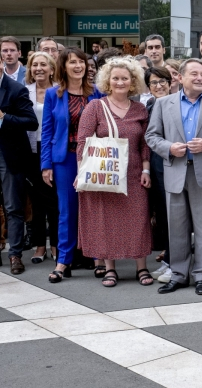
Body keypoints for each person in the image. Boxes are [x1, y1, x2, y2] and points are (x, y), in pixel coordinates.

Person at [145, 58, 202, 295]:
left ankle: (201, 276)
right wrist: (168, 148)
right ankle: (178, 275)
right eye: (194, 73)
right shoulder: (164, 104)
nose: (200, 77)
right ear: (180, 78)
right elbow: (152, 136)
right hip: (175, 171)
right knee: (177, 227)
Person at [76, 56, 153, 288]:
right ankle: (110, 269)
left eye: (125, 78)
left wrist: (146, 170)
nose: (120, 82)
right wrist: (82, 173)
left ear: (133, 81)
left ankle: (142, 267)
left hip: (134, 173)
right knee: (106, 220)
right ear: (108, 80)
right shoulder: (95, 107)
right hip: (105, 175)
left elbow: (145, 144)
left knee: (138, 219)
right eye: (115, 78)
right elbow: (83, 142)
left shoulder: (140, 109)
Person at [41, 47, 104, 283]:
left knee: (95, 208)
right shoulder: (52, 94)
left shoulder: (97, 93)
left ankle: (98, 258)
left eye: (82, 62)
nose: (78, 66)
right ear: (63, 67)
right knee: (67, 210)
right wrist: (46, 164)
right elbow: (47, 131)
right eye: (72, 62)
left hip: (93, 158)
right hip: (65, 159)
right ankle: (63, 261)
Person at [0, 57, 38, 273]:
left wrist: (4, 118)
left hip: (9, 155)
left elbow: (31, 121)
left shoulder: (15, 89)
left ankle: (15, 254)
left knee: (13, 206)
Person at [25, 52, 59, 264]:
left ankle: (55, 244)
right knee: (35, 202)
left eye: (43, 64)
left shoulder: (59, 91)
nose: (39, 68)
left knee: (54, 201)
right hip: (30, 151)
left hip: (53, 151)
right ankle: (39, 246)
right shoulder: (23, 91)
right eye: (34, 65)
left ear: (52, 68)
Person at [143, 66, 173, 282]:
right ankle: (168, 259)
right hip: (154, 164)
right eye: (154, 82)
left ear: (170, 83)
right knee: (162, 215)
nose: (159, 85)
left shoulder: (176, 104)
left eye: (163, 81)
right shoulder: (150, 104)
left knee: (174, 217)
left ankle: (175, 262)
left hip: (171, 162)